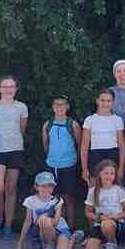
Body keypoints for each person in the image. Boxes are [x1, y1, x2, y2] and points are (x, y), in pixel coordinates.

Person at [0, 75, 29, 239]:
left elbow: (22, 128)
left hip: (15, 149)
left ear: (16, 89)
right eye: (5, 86)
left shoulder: (21, 107)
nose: (8, 89)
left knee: (11, 189)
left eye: (11, 86)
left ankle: (8, 226)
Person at [16, 171, 81, 249]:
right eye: (43, 186)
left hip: (59, 230)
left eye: (50, 186)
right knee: (43, 220)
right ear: (36, 187)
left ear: (54, 187)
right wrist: (20, 242)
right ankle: (50, 244)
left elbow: (56, 222)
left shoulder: (57, 200)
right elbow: (27, 221)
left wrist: (44, 218)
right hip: (42, 230)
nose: (47, 189)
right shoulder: (30, 201)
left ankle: (73, 238)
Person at [41, 95, 82, 228]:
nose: (59, 107)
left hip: (68, 165)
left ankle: (70, 227)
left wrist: (75, 160)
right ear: (53, 107)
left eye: (62, 104)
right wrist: (51, 158)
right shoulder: (47, 124)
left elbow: (80, 144)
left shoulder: (73, 124)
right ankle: (58, 227)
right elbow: (46, 145)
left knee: (68, 198)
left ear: (67, 107)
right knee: (54, 198)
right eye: (56, 104)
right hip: (52, 165)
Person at [83, 159, 125, 249]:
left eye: (112, 173)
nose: (109, 176)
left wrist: (116, 217)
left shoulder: (119, 189)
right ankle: (102, 245)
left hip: (115, 224)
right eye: (106, 173)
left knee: (107, 224)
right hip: (99, 223)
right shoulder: (93, 191)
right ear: (99, 174)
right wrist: (98, 217)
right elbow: (88, 212)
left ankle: (112, 243)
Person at [80, 89, 125, 188]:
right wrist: (84, 168)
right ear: (97, 101)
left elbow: (122, 145)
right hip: (95, 155)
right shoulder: (89, 120)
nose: (105, 104)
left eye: (108, 101)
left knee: (114, 188)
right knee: (94, 189)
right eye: (102, 100)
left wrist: (121, 168)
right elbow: (84, 146)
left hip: (112, 155)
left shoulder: (118, 120)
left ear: (113, 102)